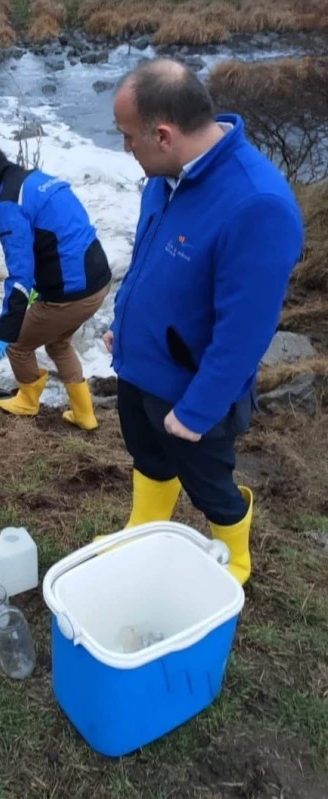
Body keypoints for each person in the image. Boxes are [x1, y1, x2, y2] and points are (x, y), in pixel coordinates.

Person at [106, 58, 303, 584]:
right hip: (139, 368)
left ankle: (236, 557)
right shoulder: (164, 176)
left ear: (164, 135)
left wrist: (197, 411)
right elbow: (150, 260)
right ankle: (143, 527)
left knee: (208, 482)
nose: (126, 148)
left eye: (129, 137)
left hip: (192, 391)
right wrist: (122, 326)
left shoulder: (257, 205)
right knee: (147, 455)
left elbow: (246, 332)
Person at [0, 142, 112, 430]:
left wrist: (6, 329)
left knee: (18, 344)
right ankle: (84, 414)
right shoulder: (37, 179)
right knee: (58, 343)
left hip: (71, 292)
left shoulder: (8, 206)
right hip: (98, 279)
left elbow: (19, 275)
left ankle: (28, 402)